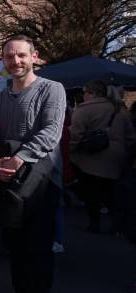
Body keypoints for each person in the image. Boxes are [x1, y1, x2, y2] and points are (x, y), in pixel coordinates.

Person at [0, 35, 65, 293]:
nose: (15, 60)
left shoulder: (52, 89)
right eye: (9, 56)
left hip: (41, 182)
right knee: (15, 249)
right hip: (10, 183)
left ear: (34, 56)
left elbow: (51, 132)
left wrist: (19, 158)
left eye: (21, 55)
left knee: (39, 251)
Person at [69, 80, 136, 233]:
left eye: (85, 92)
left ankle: (94, 223)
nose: (83, 95)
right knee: (111, 192)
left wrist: (70, 153)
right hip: (116, 158)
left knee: (91, 192)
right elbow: (131, 137)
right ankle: (118, 224)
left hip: (89, 157)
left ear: (92, 93)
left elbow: (75, 136)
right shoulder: (119, 109)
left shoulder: (84, 110)